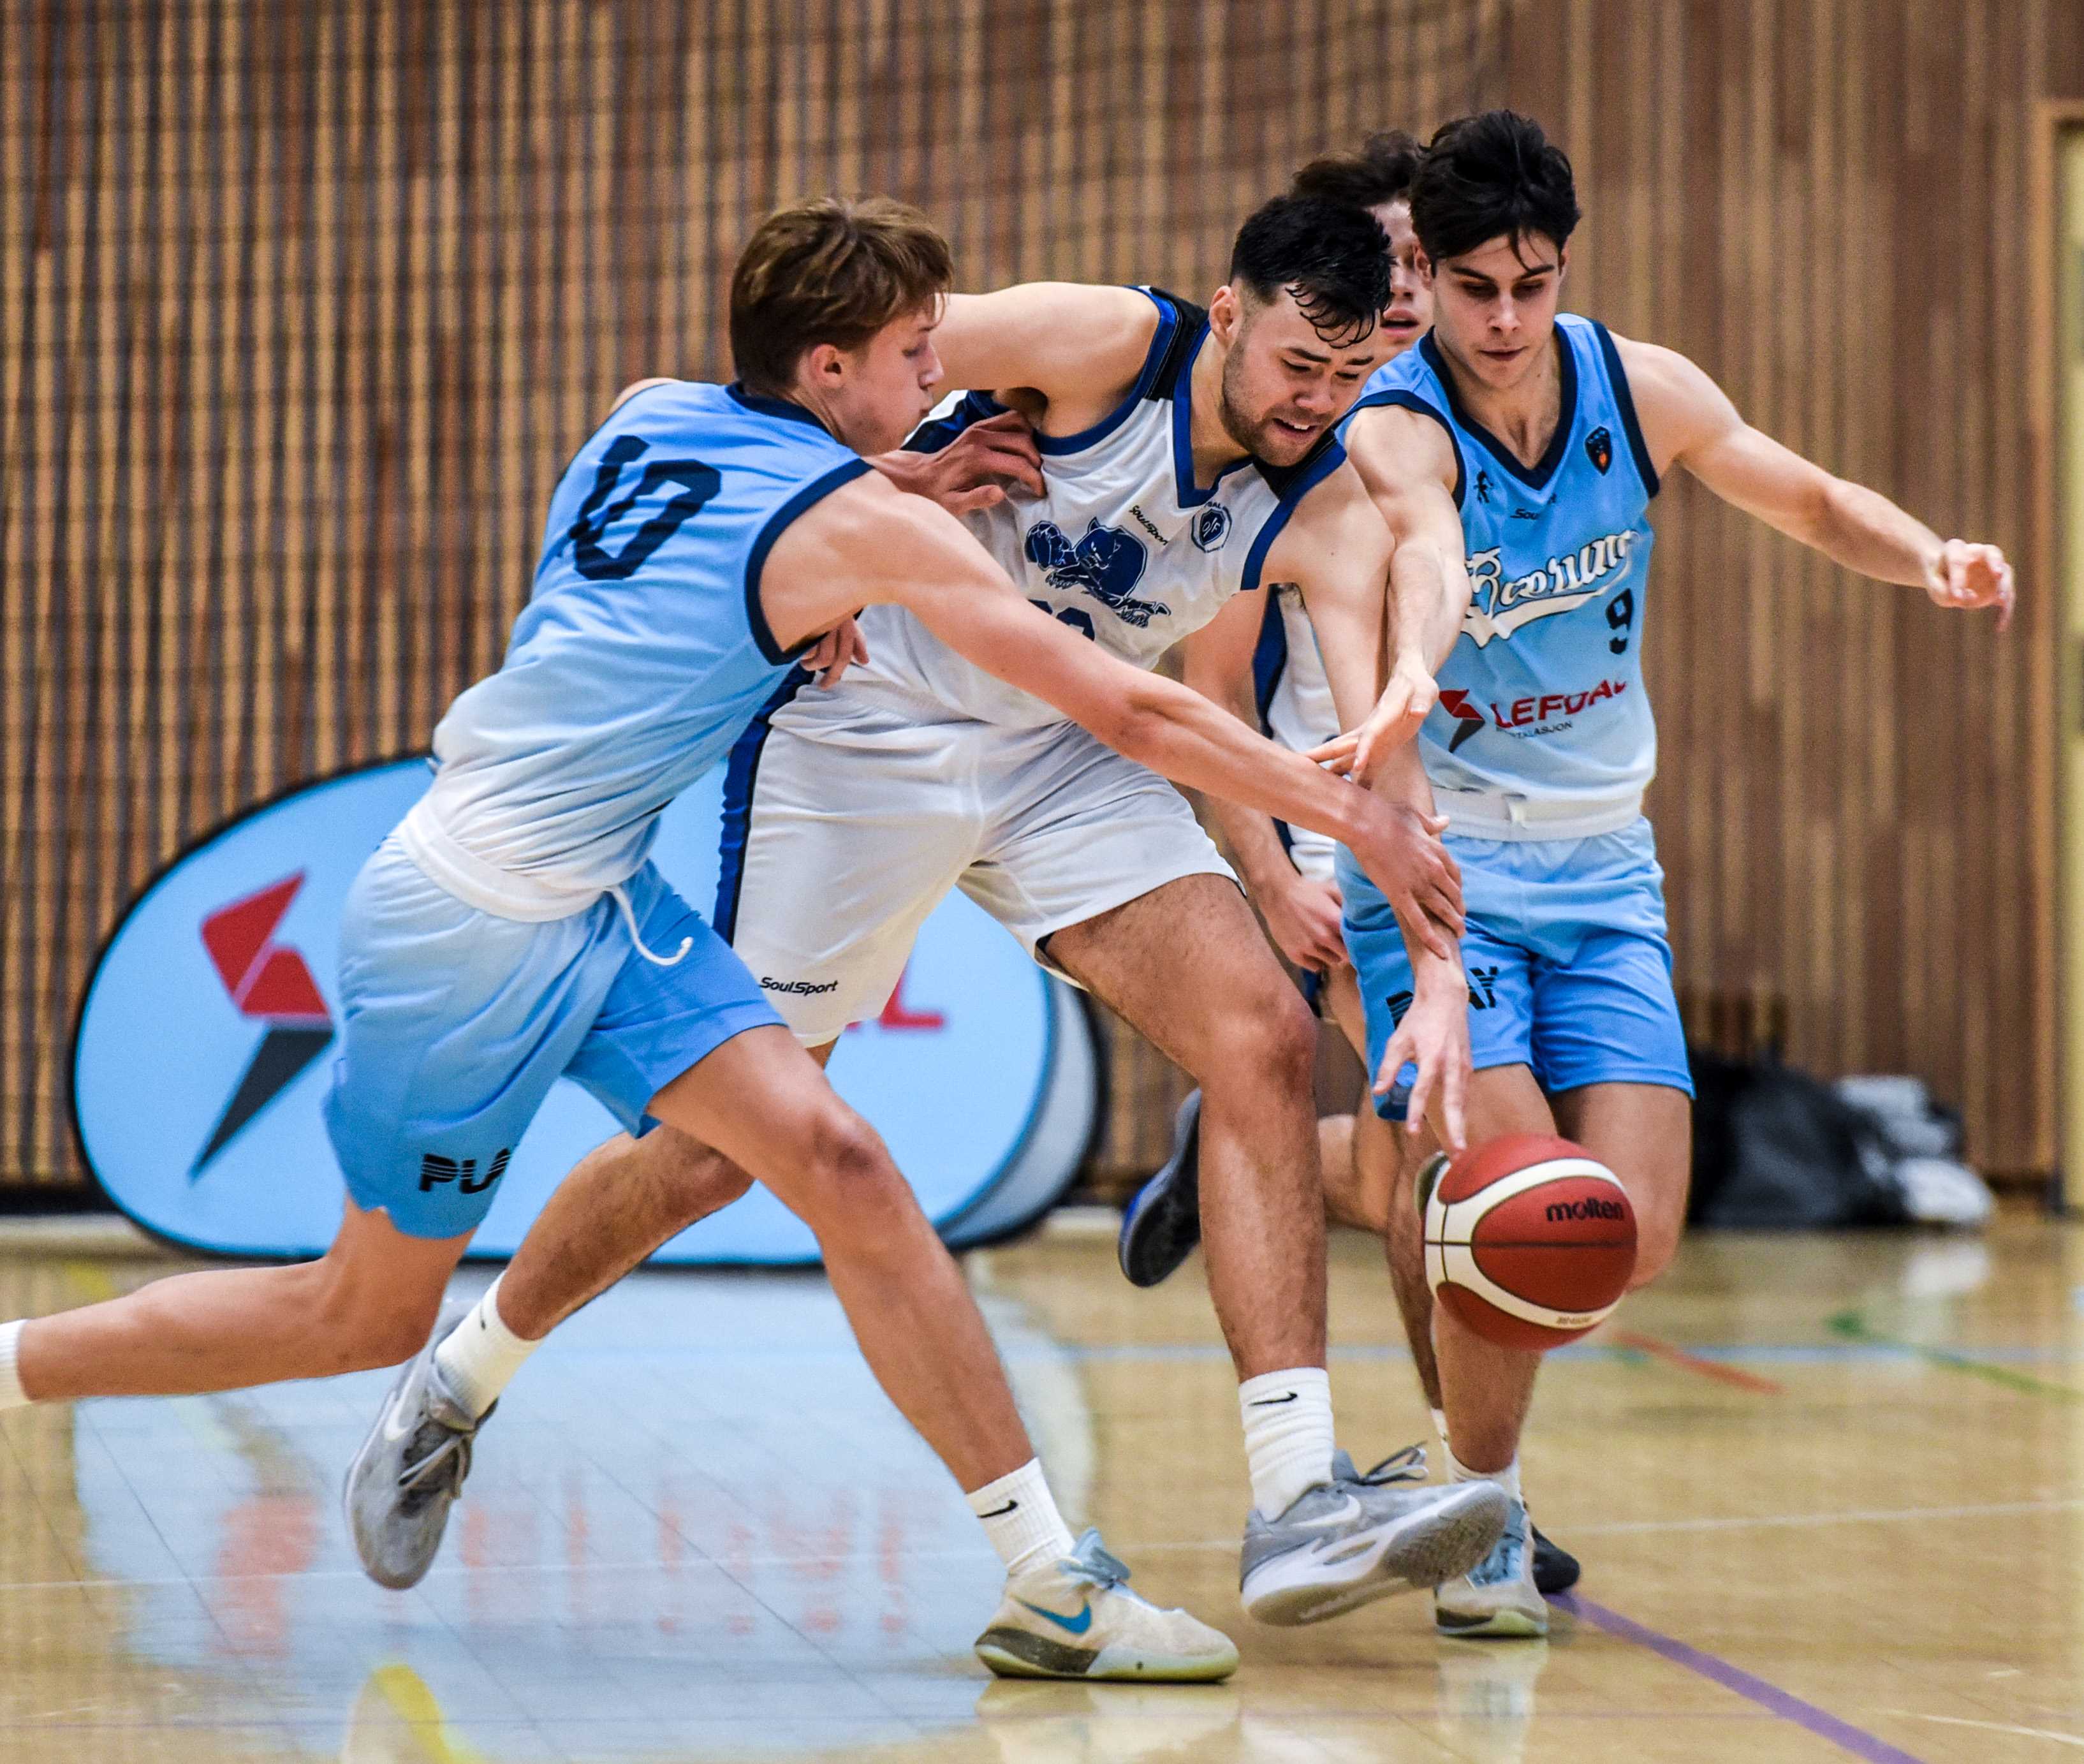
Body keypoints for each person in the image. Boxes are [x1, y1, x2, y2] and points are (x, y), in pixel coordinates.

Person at [0, 196, 1503, 1679]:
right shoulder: (1071, 360)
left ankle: (1207, 1528)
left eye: (1351, 373)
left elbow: (1389, 600)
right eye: (1296, 364)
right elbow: (1083, 641)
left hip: (919, 798)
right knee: (594, 1211)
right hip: (771, 783)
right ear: (1228, 314)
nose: (1320, 400)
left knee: (1189, 1052)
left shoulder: (682, 419)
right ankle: (449, 1370)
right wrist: (862, 528)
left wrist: (865, 518)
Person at [1340, 110, 2010, 1637]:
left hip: (1602, 872)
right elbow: (1430, 549)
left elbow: (1804, 496)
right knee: (1515, 1205)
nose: (1503, 320)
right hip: (1445, 867)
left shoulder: (1636, 389)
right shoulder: (1390, 423)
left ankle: (1294, 1157)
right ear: (1427, 280)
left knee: (1621, 1237)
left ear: (1559, 268)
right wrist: (1412, 667)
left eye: (1529, 284)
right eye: (1472, 289)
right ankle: (1485, 1523)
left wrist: (1926, 555)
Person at [1119, 131, 1583, 1600]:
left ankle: (1233, 1161)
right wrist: (1269, 877)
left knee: (1428, 1167)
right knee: (1449, 1160)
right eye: (1383, 268)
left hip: (1499, 835)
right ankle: (1474, 1501)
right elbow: (1211, 682)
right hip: (1351, 852)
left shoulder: (1454, 426)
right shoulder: (1292, 460)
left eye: (1407, 271)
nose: (1397, 294)